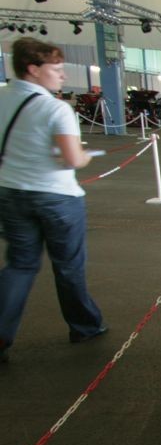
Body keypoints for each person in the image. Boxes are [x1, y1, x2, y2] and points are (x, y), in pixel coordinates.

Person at [0, 38, 106, 363]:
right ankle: (85, 326)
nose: (63, 75)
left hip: (10, 191)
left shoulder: (2, 98)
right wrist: (85, 156)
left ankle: (2, 334)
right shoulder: (55, 108)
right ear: (33, 69)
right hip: (56, 197)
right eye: (56, 68)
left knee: (20, 265)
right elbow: (73, 159)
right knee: (68, 266)